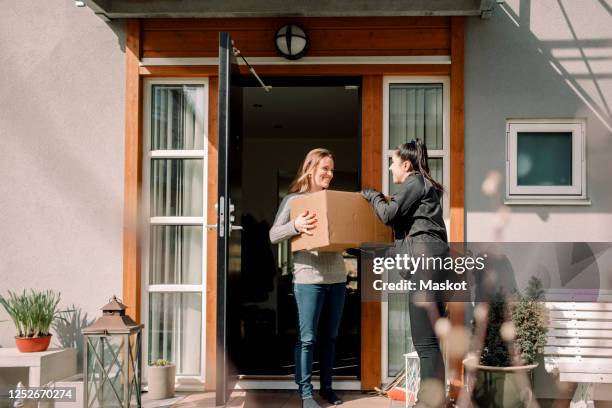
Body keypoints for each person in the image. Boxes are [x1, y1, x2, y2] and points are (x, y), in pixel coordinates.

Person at [361, 139, 449, 408]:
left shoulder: (415, 181)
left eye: (392, 162)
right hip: (433, 264)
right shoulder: (424, 187)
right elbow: (404, 230)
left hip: (427, 265)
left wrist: (372, 195)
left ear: (406, 164)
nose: (390, 168)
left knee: (424, 341)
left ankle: (428, 403)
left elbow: (388, 214)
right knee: (430, 341)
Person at [270, 148, 347, 408]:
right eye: (325, 168)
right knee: (307, 338)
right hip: (308, 279)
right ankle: (305, 393)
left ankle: (327, 388)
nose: (329, 174)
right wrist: (296, 226)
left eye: (332, 170)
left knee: (331, 337)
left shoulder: (333, 200)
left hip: (336, 277)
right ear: (311, 169)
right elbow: (273, 235)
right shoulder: (294, 201)